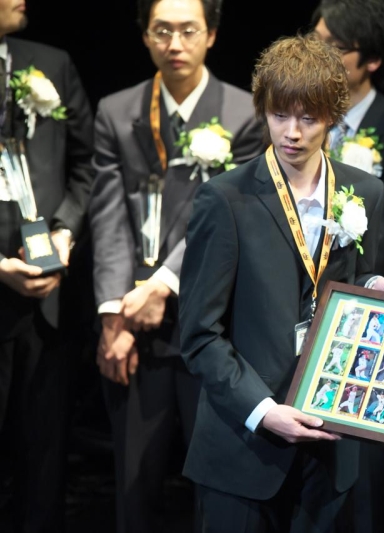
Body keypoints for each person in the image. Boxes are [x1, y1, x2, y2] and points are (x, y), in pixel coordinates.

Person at [178, 33, 384, 533]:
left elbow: (347, 282)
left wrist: (375, 288)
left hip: (328, 446)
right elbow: (198, 335)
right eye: (280, 115)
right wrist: (262, 410)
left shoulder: (364, 192)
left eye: (309, 118)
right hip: (243, 450)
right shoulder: (224, 199)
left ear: (333, 117)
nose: (292, 133)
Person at [88, 1, 264, 531]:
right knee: (133, 483)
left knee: (216, 484)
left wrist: (164, 283)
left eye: (189, 30)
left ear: (211, 35)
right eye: (162, 30)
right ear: (145, 36)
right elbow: (108, 215)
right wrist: (113, 314)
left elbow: (229, 221)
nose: (175, 44)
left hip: (212, 323)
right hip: (133, 323)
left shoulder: (246, 113)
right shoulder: (117, 110)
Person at [0, 1, 94, 530]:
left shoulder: (50, 63)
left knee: (43, 466)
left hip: (48, 299)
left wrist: (65, 230)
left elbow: (87, 163)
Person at [311, 0, 384, 286]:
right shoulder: (297, 119)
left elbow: (383, 236)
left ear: (373, 59)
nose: (319, 55)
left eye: (335, 47)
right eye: (315, 41)